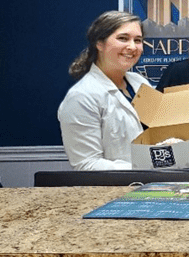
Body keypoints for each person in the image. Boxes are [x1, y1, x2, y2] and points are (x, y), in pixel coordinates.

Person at [58, 11, 151, 170]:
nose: (132, 47)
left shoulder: (140, 82)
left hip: (156, 183)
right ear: (99, 43)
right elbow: (87, 165)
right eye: (123, 38)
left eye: (138, 40)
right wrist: (144, 169)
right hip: (115, 189)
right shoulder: (81, 97)